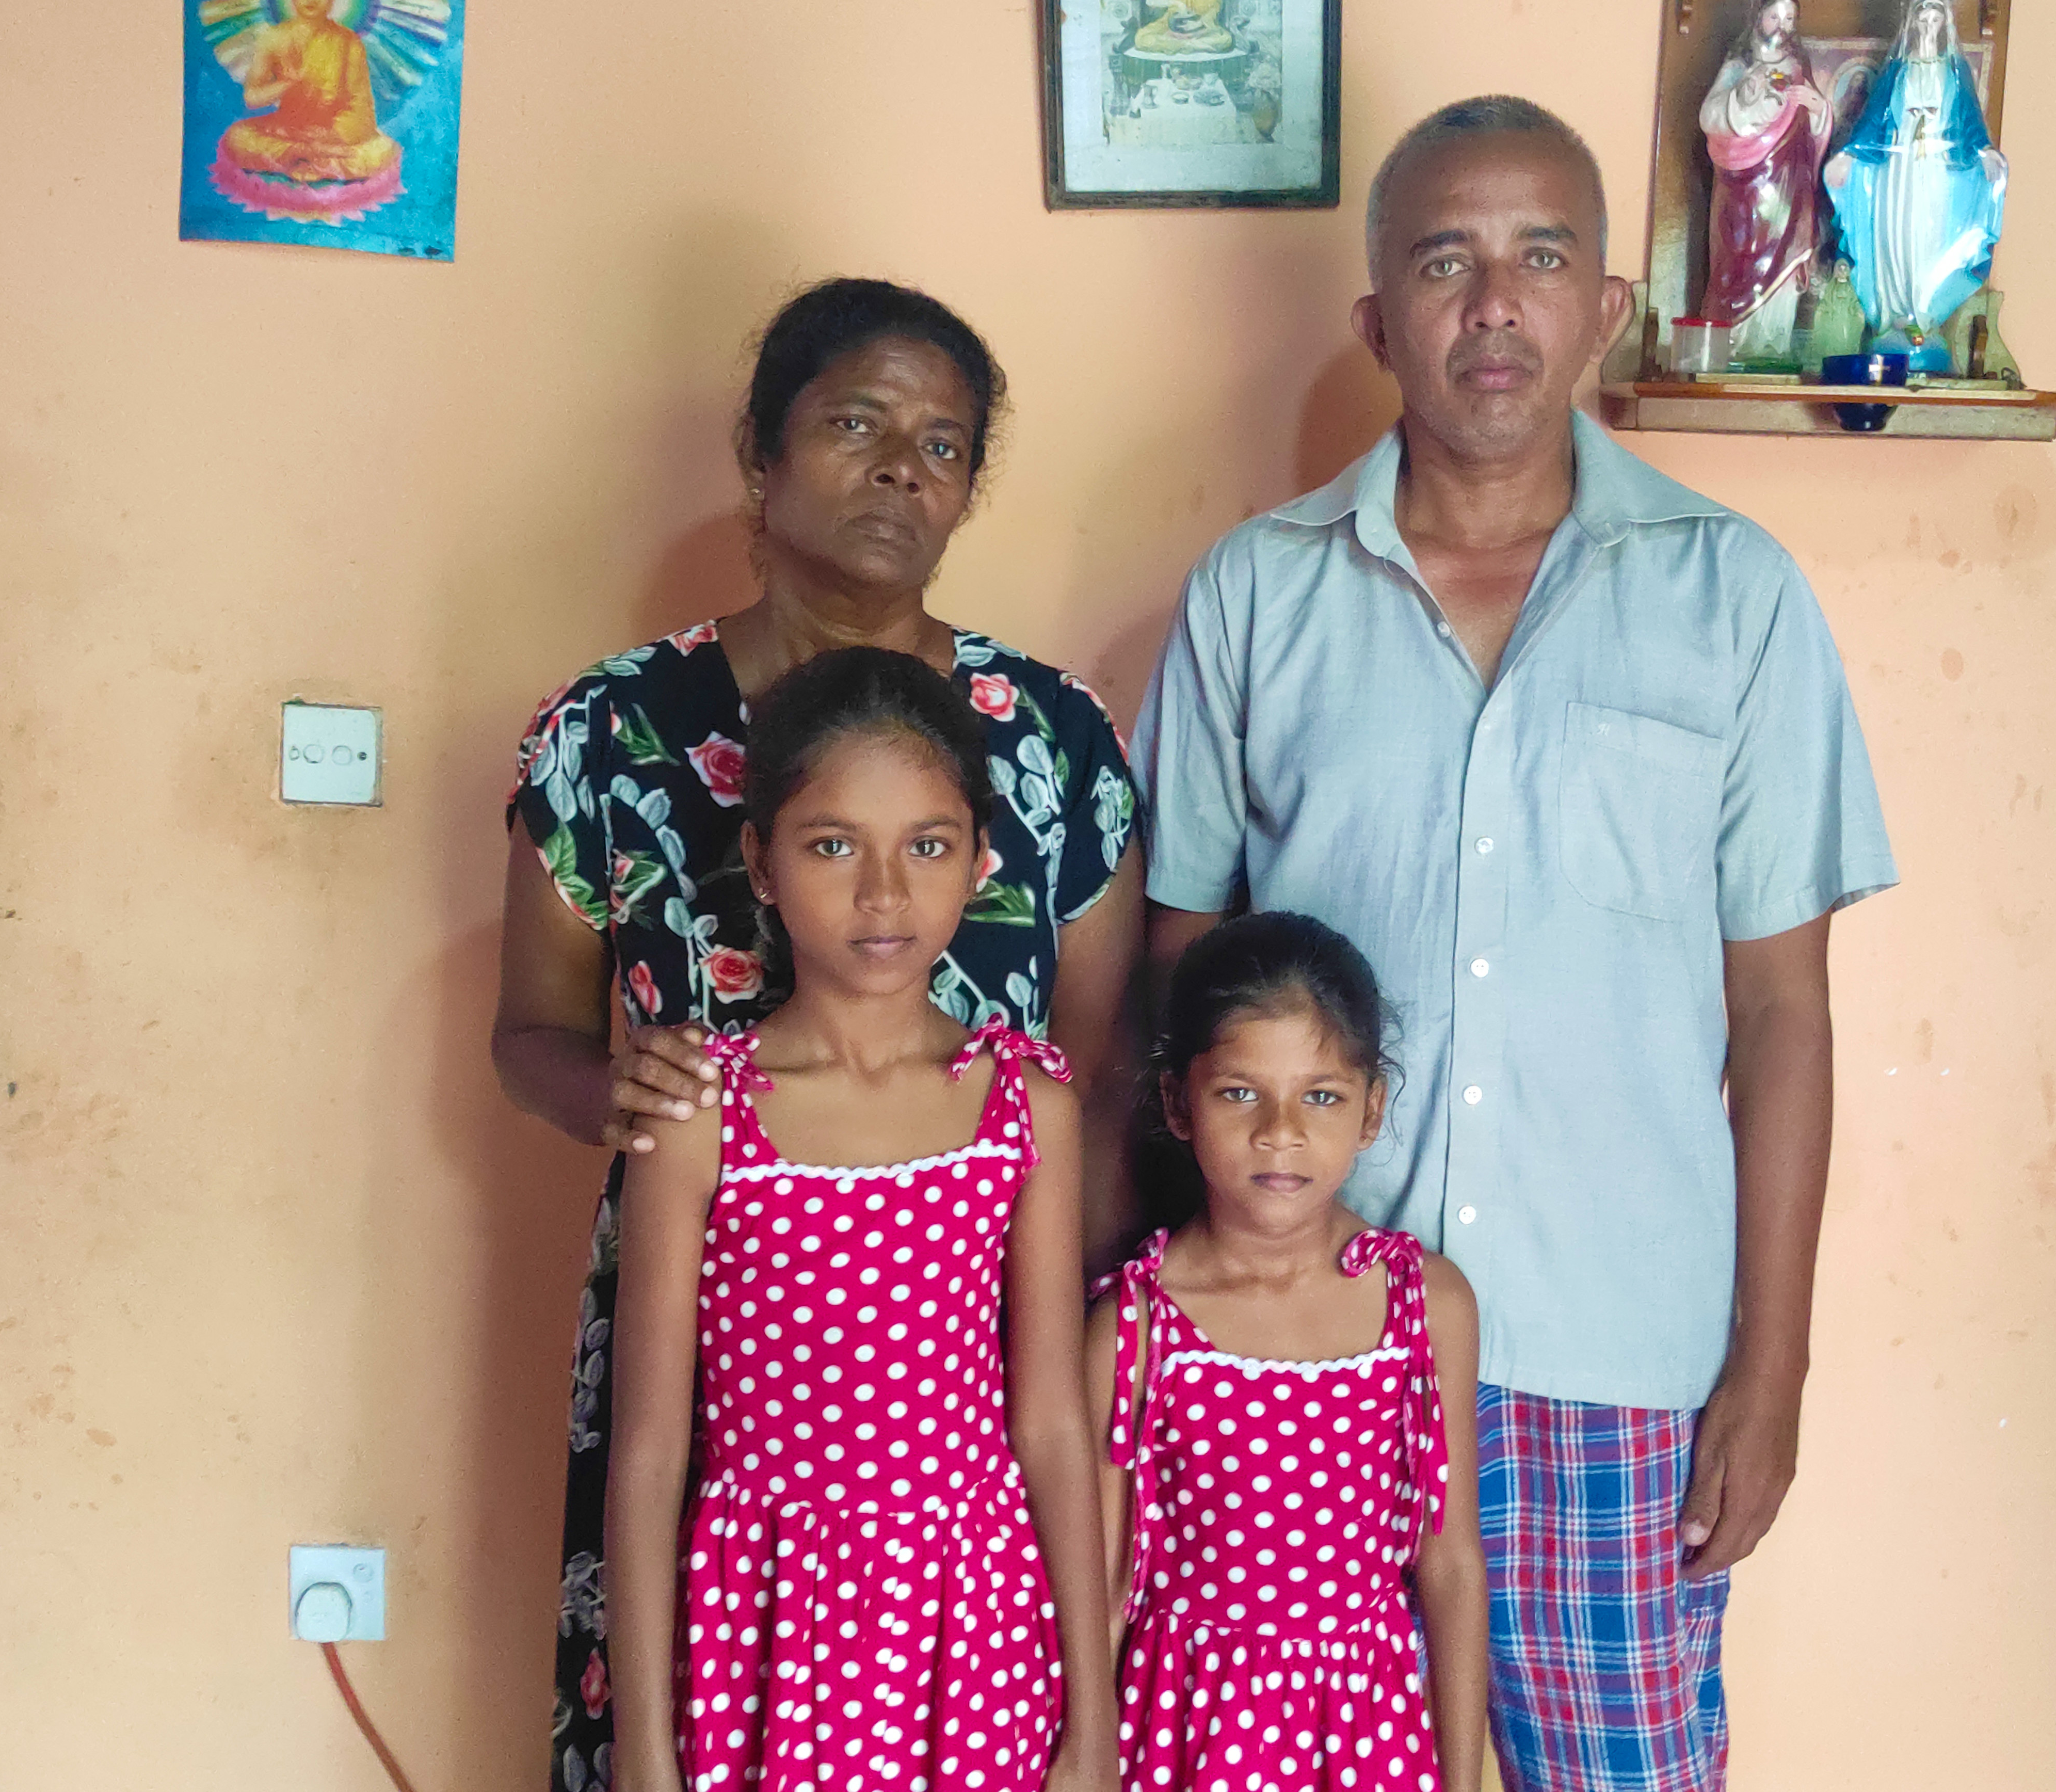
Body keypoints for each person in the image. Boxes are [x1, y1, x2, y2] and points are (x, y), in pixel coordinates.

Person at [1132, 98, 1896, 1791]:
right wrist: (1170, 1314)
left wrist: (1771, 1364)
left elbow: (1783, 1014)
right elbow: (1177, 980)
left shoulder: (1734, 596)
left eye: (1542, 256)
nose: (1494, 302)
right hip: (1300, 1362)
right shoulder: (1256, 594)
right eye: (1445, 261)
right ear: (1377, 320)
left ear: (1607, 306)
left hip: (1616, 1365)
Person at [493, 278, 1143, 1792]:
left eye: (942, 443)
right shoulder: (611, 729)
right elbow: (528, 1029)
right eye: (855, 423)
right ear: (762, 449)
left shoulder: (1052, 740)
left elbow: (1101, 1064)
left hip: (964, 1362)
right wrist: (636, 1098)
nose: (900, 469)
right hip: (719, 1360)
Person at [605, 646, 1116, 1792]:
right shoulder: (699, 1114)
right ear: (762, 861)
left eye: (926, 846)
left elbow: (1049, 1422)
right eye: (833, 845)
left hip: (977, 1632)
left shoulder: (1023, 1104)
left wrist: (1093, 1723)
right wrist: (644, 1748)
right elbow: (648, 1449)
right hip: (766, 1633)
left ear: (980, 859)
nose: (884, 894)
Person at [1088, 914, 1486, 1792]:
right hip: (1186, 1738)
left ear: (1372, 1109)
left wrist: (1462, 1781)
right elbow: (1105, 1587)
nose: (1280, 1131)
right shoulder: (1138, 1323)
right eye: (1240, 1093)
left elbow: (1451, 1565)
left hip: (1365, 1740)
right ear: (1177, 1103)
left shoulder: (1425, 1304)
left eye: (1322, 1096)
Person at [1823, 0, 2008, 359]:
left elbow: (1969, 118)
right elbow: (1874, 120)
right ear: (1912, 22)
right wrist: (1850, 155)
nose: (1928, 26)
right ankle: (1895, 313)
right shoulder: (1898, 71)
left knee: (1929, 238)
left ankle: (1923, 316)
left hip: (1937, 171)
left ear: (1944, 24)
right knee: (1898, 233)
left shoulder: (1953, 70)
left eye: (1935, 19)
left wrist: (1985, 151)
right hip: (1898, 171)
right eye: (1923, 18)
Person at [1699, 0, 1833, 364]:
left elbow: (1814, 132)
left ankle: (1772, 343)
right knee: (1739, 258)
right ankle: (1737, 340)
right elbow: (1709, 117)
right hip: (1743, 186)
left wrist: (1818, 108)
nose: (1782, 25)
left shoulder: (1798, 67)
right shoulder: (1739, 64)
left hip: (1789, 184)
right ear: (1758, 17)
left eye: (1790, 18)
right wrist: (1743, 96)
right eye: (1775, 16)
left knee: (1785, 256)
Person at [217, 0, 402, 188]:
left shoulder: (349, 42)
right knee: (237, 137)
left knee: (385, 151)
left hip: (333, 134)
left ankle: (302, 162)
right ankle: (308, 158)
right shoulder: (273, 38)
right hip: (287, 130)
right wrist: (287, 84)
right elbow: (252, 98)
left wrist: (330, 137)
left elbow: (361, 108)